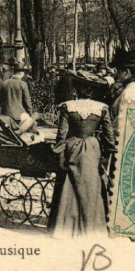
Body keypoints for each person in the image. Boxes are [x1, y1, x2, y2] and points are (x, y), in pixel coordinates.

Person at [48, 83, 115, 238]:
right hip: (92, 148)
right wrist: (109, 150)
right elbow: (108, 133)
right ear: (92, 91)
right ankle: (91, 226)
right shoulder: (101, 108)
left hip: (72, 146)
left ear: (76, 90)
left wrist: (59, 152)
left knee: (69, 183)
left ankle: (65, 227)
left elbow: (62, 133)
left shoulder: (67, 106)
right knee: (91, 186)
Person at [0, 61, 36, 134]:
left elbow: (0, 100)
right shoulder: (23, 84)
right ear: (21, 73)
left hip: (5, 114)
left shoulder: (4, 83)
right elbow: (27, 102)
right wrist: (30, 114)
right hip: (19, 115)